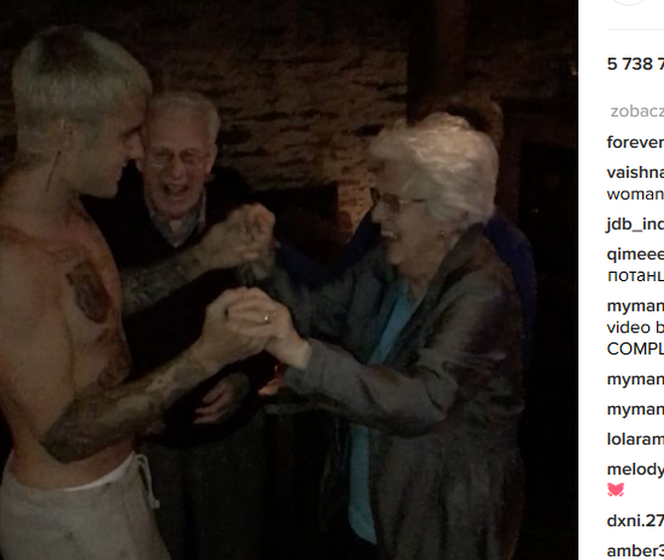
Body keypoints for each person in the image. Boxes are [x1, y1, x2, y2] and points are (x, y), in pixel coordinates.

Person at [0, 26, 267, 560]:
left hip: (117, 487)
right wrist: (205, 356)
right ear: (67, 133)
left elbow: (100, 305)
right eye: (127, 134)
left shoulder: (70, 210)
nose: (136, 150)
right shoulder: (12, 260)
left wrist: (205, 256)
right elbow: (64, 434)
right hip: (70, 517)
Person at [229, 113, 525, 560]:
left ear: (447, 214)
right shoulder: (389, 263)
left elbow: (425, 399)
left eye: (393, 202)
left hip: (437, 521)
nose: (377, 215)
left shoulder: (482, 290)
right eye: (377, 198)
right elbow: (315, 312)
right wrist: (264, 261)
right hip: (366, 504)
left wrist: (303, 356)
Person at [85, 90, 270, 560]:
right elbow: (89, 326)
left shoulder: (239, 214)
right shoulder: (103, 221)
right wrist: (129, 397)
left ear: (211, 159)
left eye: (190, 156)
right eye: (161, 155)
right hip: (143, 443)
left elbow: (274, 313)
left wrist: (248, 378)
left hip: (228, 437)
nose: (176, 173)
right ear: (139, 154)